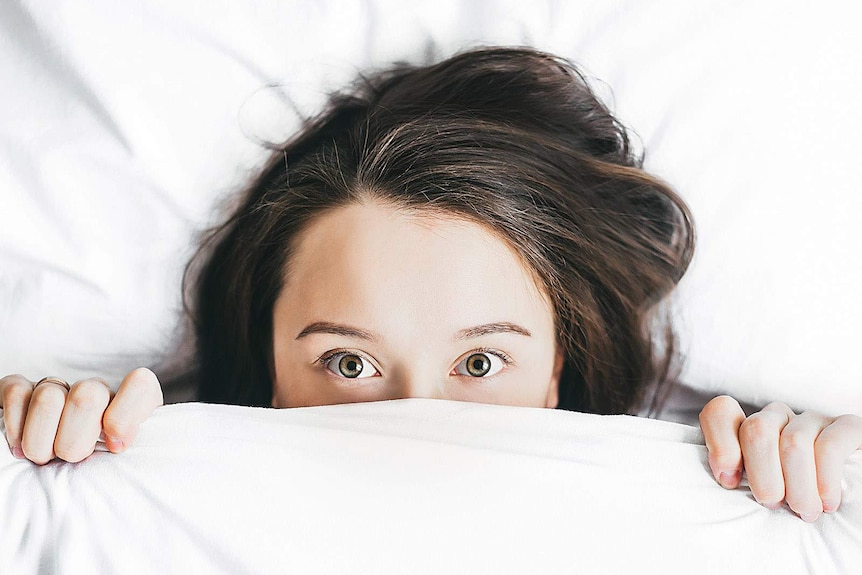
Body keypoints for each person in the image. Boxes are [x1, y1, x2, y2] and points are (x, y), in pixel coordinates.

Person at [1, 47, 859, 524]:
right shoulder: (142, 504)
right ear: (266, 365)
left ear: (561, 367)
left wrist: (823, 476)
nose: (417, 421)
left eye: (481, 363)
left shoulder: (703, 502)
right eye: (347, 362)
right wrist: (40, 449)